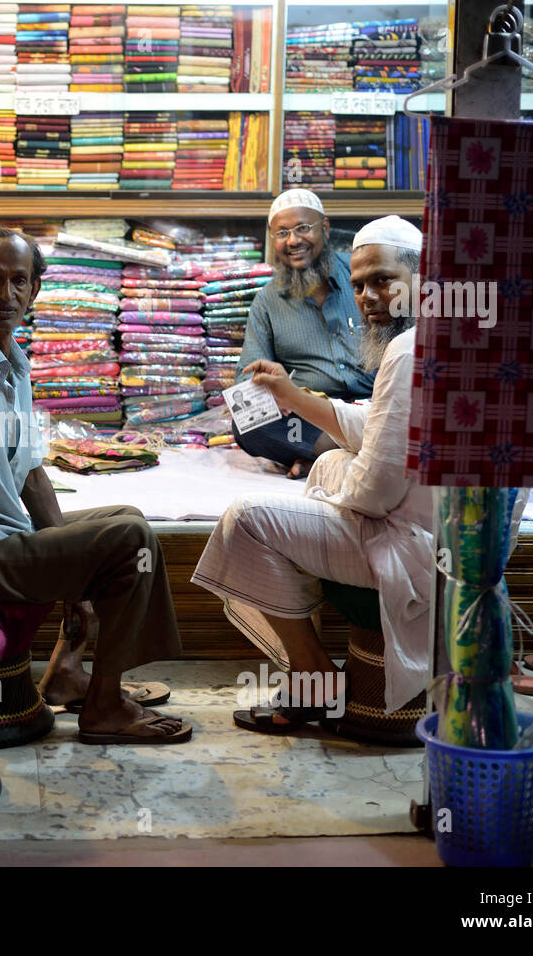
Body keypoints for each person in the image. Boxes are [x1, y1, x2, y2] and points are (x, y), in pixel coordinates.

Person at [0, 226, 191, 745]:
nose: (6, 295)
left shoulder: (16, 363)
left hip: (7, 539)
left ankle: (69, 673)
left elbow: (32, 474)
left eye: (19, 282)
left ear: (34, 292)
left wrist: (72, 576)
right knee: (131, 542)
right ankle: (103, 704)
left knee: (129, 518)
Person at [191, 216, 488, 735]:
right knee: (328, 462)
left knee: (246, 519)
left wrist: (335, 493)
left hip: (415, 551)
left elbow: (374, 494)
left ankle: (313, 676)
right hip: (452, 540)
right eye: (357, 285)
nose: (368, 296)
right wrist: (292, 397)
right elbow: (377, 423)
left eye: (382, 280)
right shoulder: (455, 335)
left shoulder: (407, 349)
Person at [233, 188, 373, 478]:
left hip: (374, 407)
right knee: (247, 420)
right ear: (273, 240)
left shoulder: (362, 274)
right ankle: (346, 457)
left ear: (325, 227)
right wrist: (270, 392)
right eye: (282, 233)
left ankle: (327, 460)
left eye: (303, 228)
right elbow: (248, 377)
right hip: (313, 414)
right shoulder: (267, 302)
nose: (294, 240)